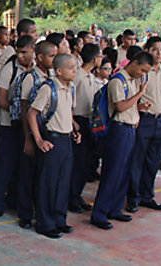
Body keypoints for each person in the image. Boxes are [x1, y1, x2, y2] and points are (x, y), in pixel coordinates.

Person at [90, 51, 153, 230]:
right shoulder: (118, 81)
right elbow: (119, 106)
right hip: (118, 130)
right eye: (141, 70)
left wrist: (139, 105)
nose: (142, 74)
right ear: (133, 63)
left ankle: (115, 208)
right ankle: (99, 213)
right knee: (112, 171)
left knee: (124, 171)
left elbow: (129, 105)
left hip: (130, 128)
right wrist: (139, 94)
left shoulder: (133, 81)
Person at [27, 53, 79, 239]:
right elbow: (32, 114)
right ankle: (45, 223)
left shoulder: (70, 88)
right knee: (48, 183)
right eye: (71, 68)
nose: (75, 71)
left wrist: (73, 129)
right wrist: (39, 140)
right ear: (58, 71)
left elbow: (67, 112)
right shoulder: (49, 89)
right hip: (52, 139)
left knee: (63, 182)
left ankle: (59, 219)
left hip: (66, 139)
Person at [0, 35, 35, 222]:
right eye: (19, 52)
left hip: (29, 127)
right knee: (5, 165)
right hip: (9, 124)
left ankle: (17, 202)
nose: (21, 56)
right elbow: (1, 99)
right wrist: (19, 113)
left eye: (25, 52)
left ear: (33, 50)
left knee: (24, 168)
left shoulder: (37, 69)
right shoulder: (10, 69)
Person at [17, 40, 57, 229]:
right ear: (40, 57)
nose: (54, 59)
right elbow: (25, 109)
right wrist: (28, 138)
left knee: (42, 174)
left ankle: (39, 209)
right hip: (32, 131)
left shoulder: (54, 76)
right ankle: (24, 213)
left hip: (47, 130)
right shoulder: (31, 77)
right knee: (27, 172)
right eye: (51, 56)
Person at [126, 37, 161, 213]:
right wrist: (138, 110)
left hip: (160, 120)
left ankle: (147, 195)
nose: (159, 53)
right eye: (155, 50)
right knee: (138, 160)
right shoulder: (142, 72)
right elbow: (131, 96)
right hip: (144, 119)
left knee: (154, 160)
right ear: (147, 51)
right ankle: (133, 197)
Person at [68, 43, 103, 214]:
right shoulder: (78, 76)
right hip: (78, 120)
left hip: (89, 121)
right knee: (77, 162)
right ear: (95, 58)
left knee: (85, 162)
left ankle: (77, 194)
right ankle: (71, 196)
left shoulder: (90, 77)